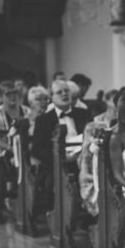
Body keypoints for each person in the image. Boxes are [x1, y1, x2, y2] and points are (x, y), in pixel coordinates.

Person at [31, 79, 91, 211]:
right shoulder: (43, 120)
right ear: (52, 97)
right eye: (59, 92)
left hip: (84, 160)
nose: (64, 94)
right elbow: (37, 149)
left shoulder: (83, 114)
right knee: (52, 182)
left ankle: (92, 215)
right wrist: (60, 158)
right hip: (56, 164)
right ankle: (60, 217)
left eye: (66, 91)